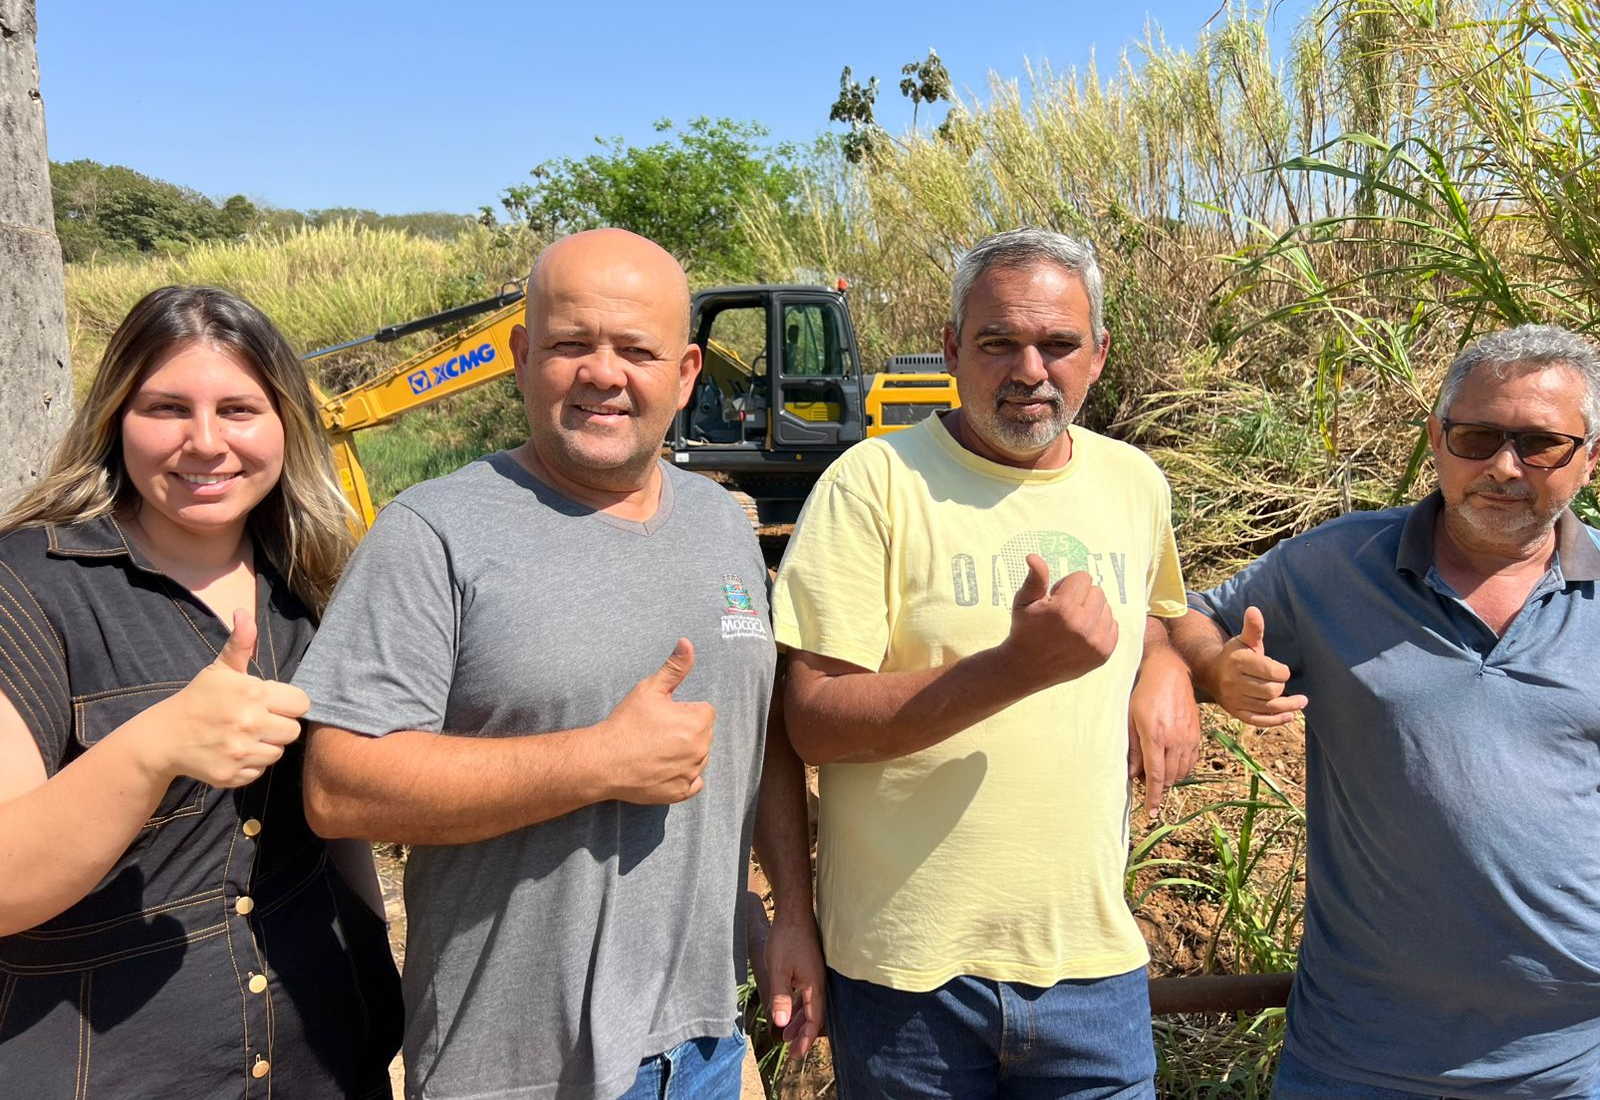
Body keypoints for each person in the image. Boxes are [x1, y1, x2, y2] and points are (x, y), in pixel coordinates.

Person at [292, 228, 823, 1100]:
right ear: (521, 358)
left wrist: (784, 916)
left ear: (686, 373)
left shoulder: (723, 525)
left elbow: (755, 740)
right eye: (572, 344)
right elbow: (339, 785)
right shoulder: (433, 534)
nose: (603, 374)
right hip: (510, 1069)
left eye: (637, 351)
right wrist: (596, 761)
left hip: (702, 1049)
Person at [771, 226, 1199, 1099]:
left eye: (1059, 344)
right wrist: (1013, 669)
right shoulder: (872, 484)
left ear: (1099, 354)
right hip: (907, 975)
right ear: (951, 350)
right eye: (998, 342)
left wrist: (1168, 666)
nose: (1030, 370)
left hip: (1092, 965)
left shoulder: (1135, 483)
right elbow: (812, 720)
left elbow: (1153, 623)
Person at [1172, 324, 1600, 1099]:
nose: (1504, 467)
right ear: (1437, 439)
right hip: (1356, 1058)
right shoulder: (1333, 568)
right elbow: (1189, 617)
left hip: (1572, 1063)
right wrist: (1214, 670)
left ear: (1589, 457)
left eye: (1541, 444)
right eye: (1476, 437)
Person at [0, 285, 402, 1098]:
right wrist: (153, 748)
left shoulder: (312, 580)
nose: (207, 442)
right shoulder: (28, 587)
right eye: (167, 408)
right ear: (117, 417)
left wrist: (375, 976)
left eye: (239, 410)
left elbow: (335, 828)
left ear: (285, 423)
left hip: (322, 1057)